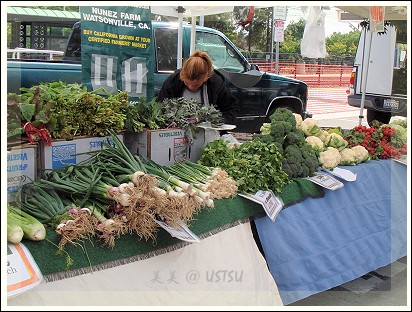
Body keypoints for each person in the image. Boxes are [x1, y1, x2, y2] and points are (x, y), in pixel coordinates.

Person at [157, 50, 239, 124]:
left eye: (196, 85)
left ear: (206, 78)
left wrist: (219, 123)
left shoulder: (216, 83)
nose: (191, 87)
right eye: (187, 83)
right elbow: (160, 107)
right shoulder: (173, 82)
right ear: (182, 76)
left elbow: (231, 109)